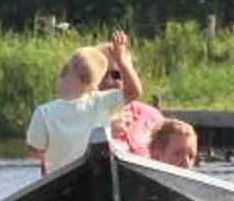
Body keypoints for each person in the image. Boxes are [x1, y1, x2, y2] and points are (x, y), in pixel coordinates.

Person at [23, 33, 144, 173]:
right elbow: (134, 92)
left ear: (62, 73)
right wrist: (122, 60)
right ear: (95, 84)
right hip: (98, 174)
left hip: (63, 182)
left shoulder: (43, 113)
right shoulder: (101, 101)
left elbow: (34, 152)